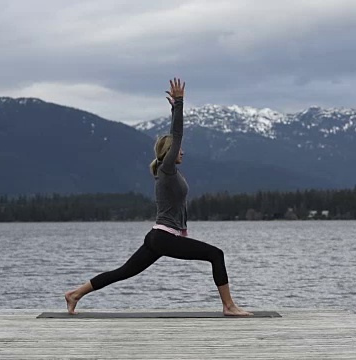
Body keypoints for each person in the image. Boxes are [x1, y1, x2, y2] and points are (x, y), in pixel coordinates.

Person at [64, 78, 252, 316]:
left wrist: (174, 108)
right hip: (164, 237)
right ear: (169, 152)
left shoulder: (171, 173)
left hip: (158, 237)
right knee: (216, 254)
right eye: (177, 149)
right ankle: (228, 306)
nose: (182, 151)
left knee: (123, 272)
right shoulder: (167, 169)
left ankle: (74, 294)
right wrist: (179, 104)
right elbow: (177, 133)